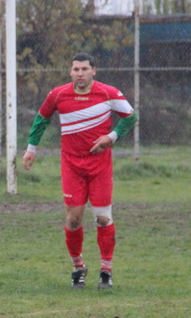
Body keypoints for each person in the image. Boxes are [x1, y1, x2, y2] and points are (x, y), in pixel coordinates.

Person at [22, 52, 138, 290]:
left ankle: (106, 270)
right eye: (76, 69)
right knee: (74, 219)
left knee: (103, 218)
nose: (80, 73)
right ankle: (78, 267)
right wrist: (31, 148)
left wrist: (111, 136)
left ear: (94, 70)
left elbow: (130, 117)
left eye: (84, 69)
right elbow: (41, 119)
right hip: (72, 166)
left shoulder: (108, 93)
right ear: (70, 72)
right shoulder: (58, 94)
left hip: (100, 167)